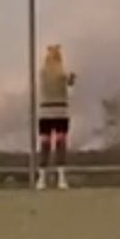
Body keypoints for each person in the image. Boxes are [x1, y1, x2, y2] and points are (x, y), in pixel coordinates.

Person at [37, 44, 76, 190]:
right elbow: (71, 94)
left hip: (45, 111)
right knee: (60, 145)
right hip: (60, 110)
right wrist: (71, 82)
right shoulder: (62, 75)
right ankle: (61, 179)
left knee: (45, 145)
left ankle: (41, 179)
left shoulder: (43, 73)